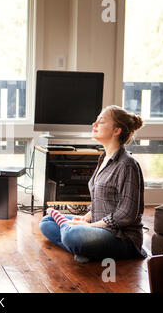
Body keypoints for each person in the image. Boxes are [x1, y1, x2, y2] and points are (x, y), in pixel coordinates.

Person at [39, 105, 147, 263]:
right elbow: (99, 201)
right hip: (98, 227)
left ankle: (81, 245)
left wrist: (90, 227)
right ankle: (84, 250)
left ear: (116, 130)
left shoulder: (127, 164)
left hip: (121, 237)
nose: (94, 125)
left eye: (101, 122)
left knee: (72, 235)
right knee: (47, 222)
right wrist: (85, 219)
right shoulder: (103, 159)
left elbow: (126, 214)